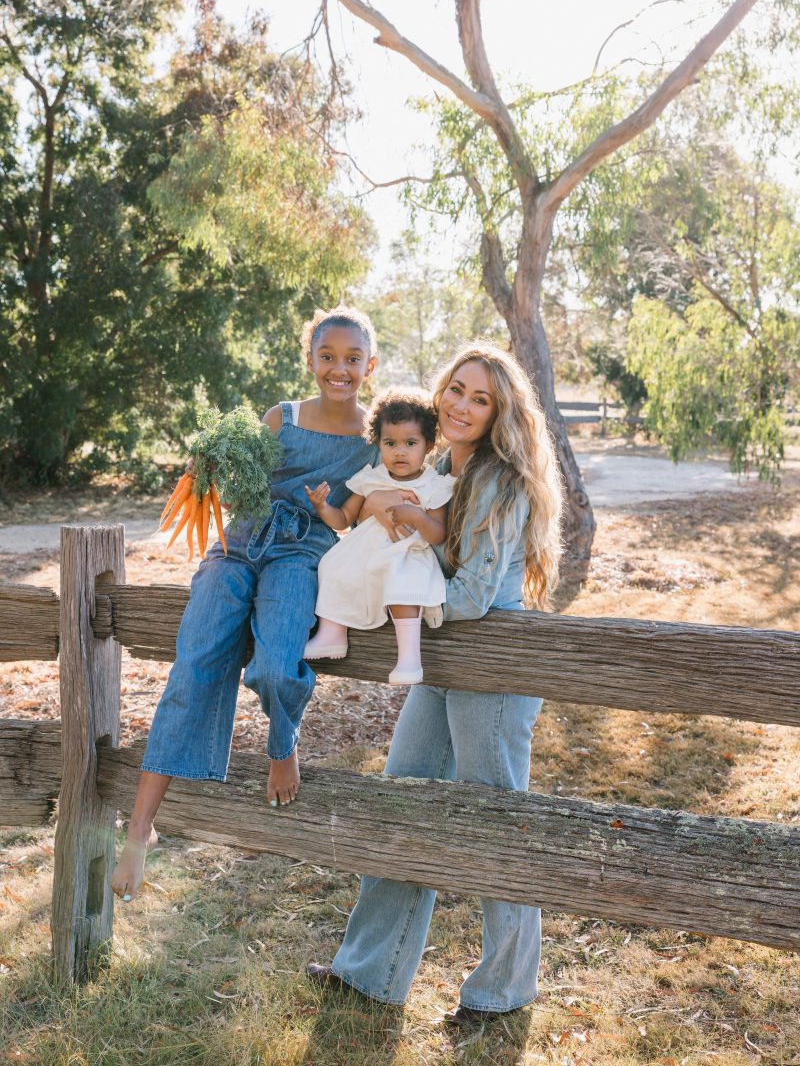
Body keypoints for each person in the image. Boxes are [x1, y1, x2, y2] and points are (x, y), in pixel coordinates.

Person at [306, 341, 563, 1026]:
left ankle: (502, 989)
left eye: (480, 398)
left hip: (495, 668)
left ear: (500, 413)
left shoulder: (502, 479)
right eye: (457, 389)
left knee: (497, 820)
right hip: (444, 661)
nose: (461, 405)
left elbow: (476, 592)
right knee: (404, 801)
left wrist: (410, 603)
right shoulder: (435, 462)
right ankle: (369, 973)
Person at [111, 307, 379, 903]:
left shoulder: (372, 439)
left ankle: (281, 745)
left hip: (302, 554)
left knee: (275, 664)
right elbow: (239, 486)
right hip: (239, 544)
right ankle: (139, 829)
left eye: (352, 358)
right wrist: (207, 470)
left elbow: (373, 505)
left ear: (370, 364)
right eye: (327, 356)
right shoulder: (279, 418)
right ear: (310, 358)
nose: (339, 369)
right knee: (195, 666)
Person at [303, 389, 455, 684]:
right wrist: (322, 506)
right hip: (365, 554)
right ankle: (332, 634)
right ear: (378, 443)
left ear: (429, 446)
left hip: (406, 553)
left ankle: (410, 659)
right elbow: (344, 519)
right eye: (390, 443)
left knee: (403, 582)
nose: (400, 451)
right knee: (331, 564)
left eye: (410, 443)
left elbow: (437, 534)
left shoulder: (433, 485)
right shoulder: (370, 478)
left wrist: (418, 516)